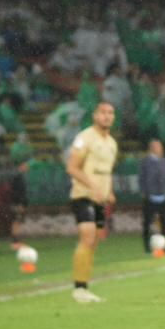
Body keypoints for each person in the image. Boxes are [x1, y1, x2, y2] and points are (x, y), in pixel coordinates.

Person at [66, 101, 118, 303]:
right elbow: (72, 167)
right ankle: (79, 289)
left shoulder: (112, 143)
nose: (107, 116)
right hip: (83, 196)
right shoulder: (84, 138)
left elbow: (107, 171)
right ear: (95, 116)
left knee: (94, 241)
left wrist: (109, 191)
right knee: (87, 237)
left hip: (100, 200)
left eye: (111, 113)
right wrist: (92, 187)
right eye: (103, 112)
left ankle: (84, 286)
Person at [139, 138, 165, 252]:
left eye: (160, 147)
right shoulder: (145, 162)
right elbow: (142, 178)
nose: (160, 149)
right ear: (152, 148)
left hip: (163, 195)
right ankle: (147, 246)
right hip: (150, 196)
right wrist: (144, 192)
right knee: (147, 222)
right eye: (157, 147)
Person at [9, 159, 29, 250]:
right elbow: (16, 192)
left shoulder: (20, 176)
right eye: (25, 165)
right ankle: (15, 243)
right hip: (17, 204)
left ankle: (16, 242)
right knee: (16, 222)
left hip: (18, 203)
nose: (27, 167)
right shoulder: (17, 177)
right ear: (20, 166)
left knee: (17, 222)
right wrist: (19, 204)